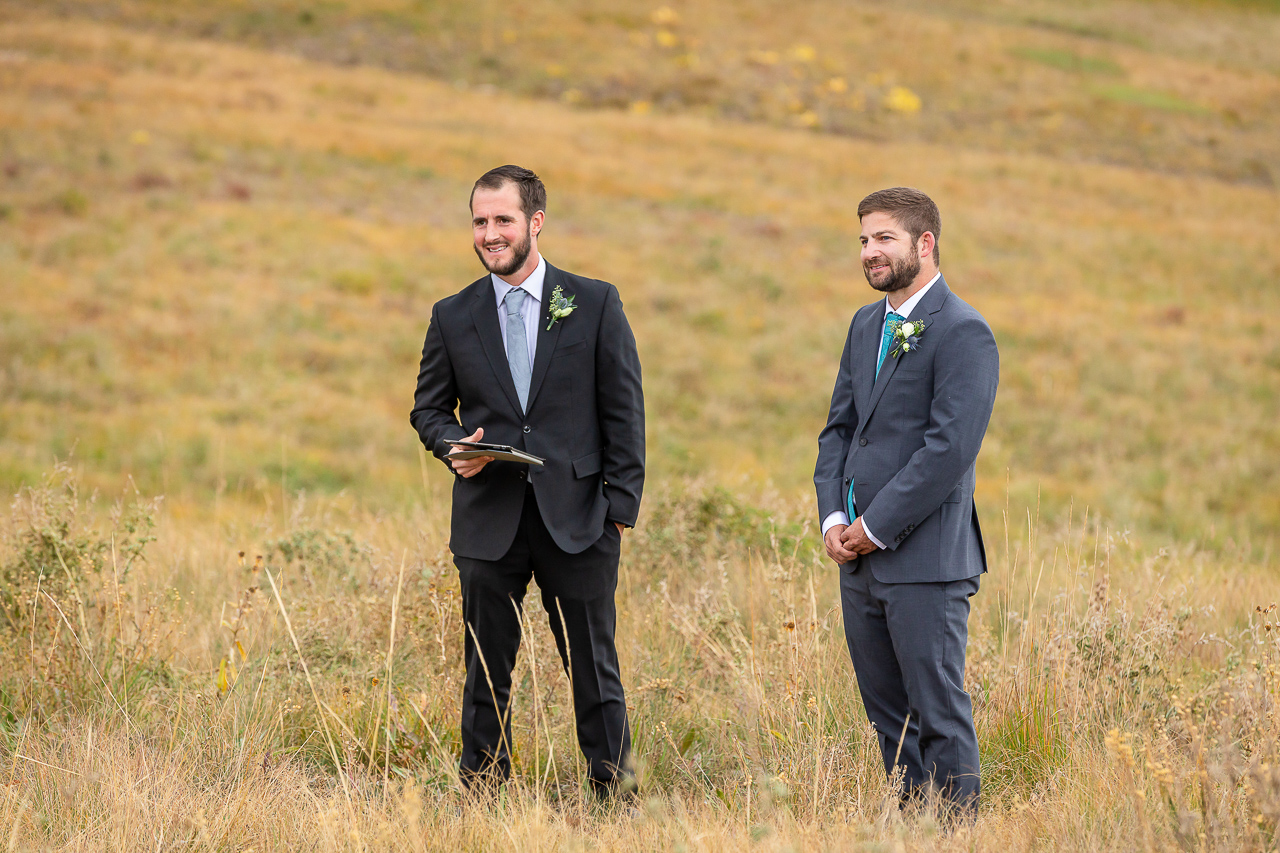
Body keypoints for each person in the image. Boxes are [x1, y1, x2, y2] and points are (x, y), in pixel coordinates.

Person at [410, 165, 644, 796]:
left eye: (503, 220)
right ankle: (484, 794)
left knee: (594, 669)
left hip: (580, 520)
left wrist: (619, 509)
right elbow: (427, 408)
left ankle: (616, 797)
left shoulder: (593, 302)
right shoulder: (453, 315)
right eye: (480, 222)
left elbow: (624, 408)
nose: (490, 234)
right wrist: (449, 446)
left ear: (535, 222)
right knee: (486, 670)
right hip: (489, 520)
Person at [814, 187, 999, 814]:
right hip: (857, 560)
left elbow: (948, 451)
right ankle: (910, 828)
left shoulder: (965, 331)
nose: (869, 251)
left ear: (925, 244)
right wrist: (835, 519)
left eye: (884, 238)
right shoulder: (866, 324)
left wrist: (874, 526)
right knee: (887, 717)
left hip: (927, 562)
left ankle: (955, 831)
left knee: (938, 712)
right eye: (864, 239)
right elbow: (840, 429)